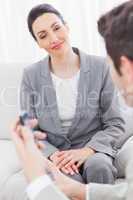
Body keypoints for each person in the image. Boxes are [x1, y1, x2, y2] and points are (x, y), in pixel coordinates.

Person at [10, 0, 133, 200]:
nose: (53, 38)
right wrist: (53, 156)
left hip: (94, 148)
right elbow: (29, 127)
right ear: (38, 43)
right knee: (67, 176)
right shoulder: (31, 75)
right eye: (43, 35)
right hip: (55, 152)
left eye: (56, 28)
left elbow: (115, 122)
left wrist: (87, 150)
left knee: (99, 166)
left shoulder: (101, 66)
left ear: (67, 26)